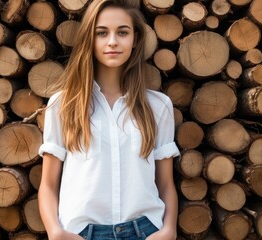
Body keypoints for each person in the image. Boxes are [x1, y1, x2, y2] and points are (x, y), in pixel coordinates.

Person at [38, 0, 180, 239]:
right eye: (102, 33)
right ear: (89, 40)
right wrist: (55, 232)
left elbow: (165, 183)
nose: (112, 41)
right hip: (83, 233)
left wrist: (169, 230)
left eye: (122, 32)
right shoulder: (63, 104)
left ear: (135, 40)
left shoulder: (157, 106)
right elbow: (48, 184)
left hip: (145, 231)